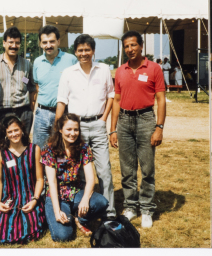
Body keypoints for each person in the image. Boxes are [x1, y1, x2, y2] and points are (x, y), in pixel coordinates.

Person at [55, 34, 116, 220]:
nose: (84, 54)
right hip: (76, 129)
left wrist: (103, 119)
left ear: (93, 51)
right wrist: (58, 128)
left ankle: (109, 213)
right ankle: (82, 211)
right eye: (80, 50)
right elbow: (62, 101)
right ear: (75, 52)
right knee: (78, 172)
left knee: (104, 170)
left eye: (87, 50)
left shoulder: (104, 69)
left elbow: (111, 95)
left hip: (97, 125)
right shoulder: (68, 73)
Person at [110, 30, 166, 228]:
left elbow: (160, 99)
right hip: (124, 121)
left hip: (145, 120)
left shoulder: (154, 68)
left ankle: (147, 209)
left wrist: (159, 127)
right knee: (127, 169)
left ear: (141, 46)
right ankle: (131, 206)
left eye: (133, 45)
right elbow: (116, 100)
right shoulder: (120, 71)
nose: (130, 49)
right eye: (126, 46)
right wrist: (113, 129)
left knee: (147, 168)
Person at [0, 26, 36, 202]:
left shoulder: (27, 64)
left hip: (22, 113)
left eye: (17, 43)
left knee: (21, 150)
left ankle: (22, 190)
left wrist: (31, 107)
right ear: (4, 43)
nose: (13, 46)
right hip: (1, 113)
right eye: (10, 42)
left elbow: (31, 87)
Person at [41, 113, 109, 241]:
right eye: (69, 129)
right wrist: (57, 211)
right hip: (57, 196)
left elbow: (90, 179)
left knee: (102, 202)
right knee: (62, 236)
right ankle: (66, 216)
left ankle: (80, 218)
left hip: (76, 192)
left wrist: (85, 199)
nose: (73, 133)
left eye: (76, 129)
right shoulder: (49, 149)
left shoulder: (83, 148)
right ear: (60, 130)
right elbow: (52, 183)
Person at [0, 115, 45, 245]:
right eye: (10, 132)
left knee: (27, 223)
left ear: (22, 130)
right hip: (10, 197)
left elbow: (39, 179)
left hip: (30, 197)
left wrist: (35, 200)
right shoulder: (0, 153)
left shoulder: (34, 149)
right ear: (5, 134)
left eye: (16, 130)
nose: (14, 134)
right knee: (2, 226)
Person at [32, 25, 77, 149]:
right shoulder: (37, 62)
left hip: (64, 113)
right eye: (44, 42)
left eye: (52, 41)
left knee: (62, 149)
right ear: (40, 44)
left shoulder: (71, 60)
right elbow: (37, 85)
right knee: (39, 150)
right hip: (42, 114)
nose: (48, 45)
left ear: (58, 41)